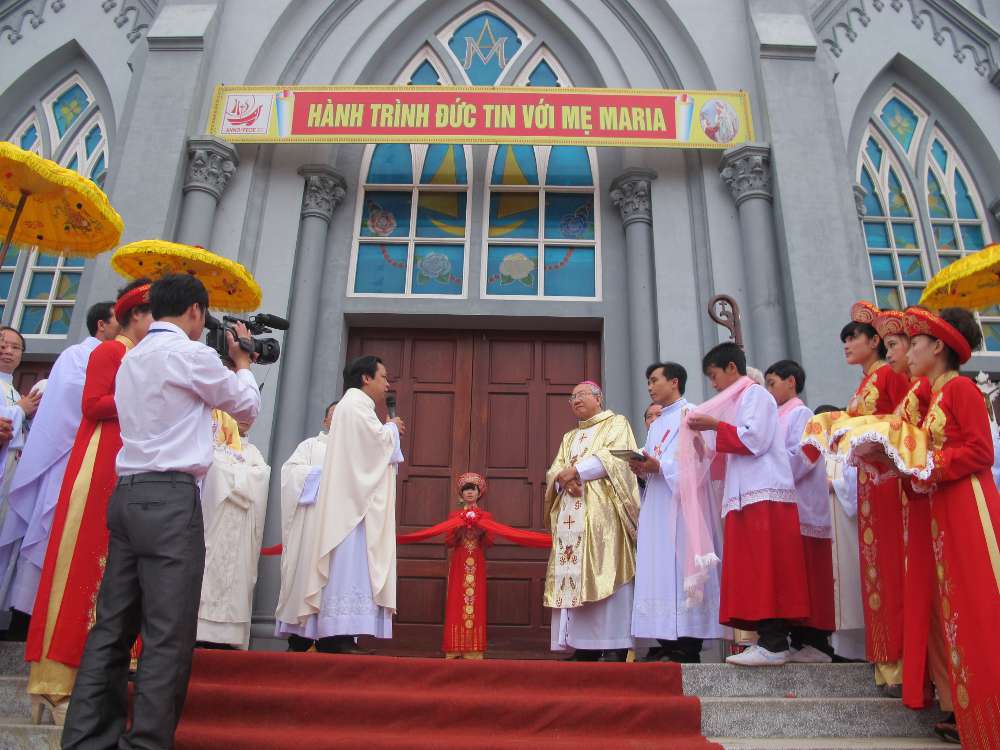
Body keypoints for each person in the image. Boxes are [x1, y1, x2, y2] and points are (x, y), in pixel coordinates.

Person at [61, 274, 261, 749]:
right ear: (194, 311)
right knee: (167, 632)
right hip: (170, 499)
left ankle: (86, 739)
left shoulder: (132, 357)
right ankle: (146, 742)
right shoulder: (191, 355)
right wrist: (244, 361)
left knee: (111, 626)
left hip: (127, 494)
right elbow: (245, 407)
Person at [843, 307, 1000, 747]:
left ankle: (986, 710)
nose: (907, 352)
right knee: (947, 604)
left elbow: (979, 452)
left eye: (915, 344)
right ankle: (963, 705)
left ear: (940, 348)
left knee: (972, 599)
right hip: (939, 504)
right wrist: (899, 465)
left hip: (967, 503)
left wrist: (928, 463)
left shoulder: (962, 390)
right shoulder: (938, 395)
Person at [20, 284, 149, 726]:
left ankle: (104, 678)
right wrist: (144, 396)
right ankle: (57, 683)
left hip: (131, 464)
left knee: (120, 572)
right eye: (153, 315)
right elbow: (94, 404)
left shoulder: (146, 357)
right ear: (135, 315)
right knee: (81, 564)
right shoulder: (109, 352)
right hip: (100, 462)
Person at [684, 342, 810, 666]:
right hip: (744, 496)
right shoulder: (737, 402)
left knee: (768, 568)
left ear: (731, 368)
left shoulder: (756, 396)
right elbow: (725, 451)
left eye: (714, 376)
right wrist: (701, 446)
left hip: (765, 493)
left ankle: (774, 642)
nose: (713, 384)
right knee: (755, 569)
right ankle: (767, 639)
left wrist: (713, 426)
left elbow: (754, 439)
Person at [274, 357, 404, 655]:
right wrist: (392, 429)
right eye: (383, 377)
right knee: (345, 567)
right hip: (348, 511)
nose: (388, 384)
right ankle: (337, 636)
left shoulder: (357, 407)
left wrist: (386, 432)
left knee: (348, 569)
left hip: (352, 506)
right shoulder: (356, 405)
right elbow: (371, 448)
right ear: (365, 378)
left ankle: (340, 635)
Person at [0, 302, 117, 630]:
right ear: (101, 326)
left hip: (97, 462)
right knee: (48, 534)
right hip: (65, 457)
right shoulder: (77, 356)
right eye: (117, 320)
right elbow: (73, 396)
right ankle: (26, 621)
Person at [629, 362, 725, 664]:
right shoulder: (657, 423)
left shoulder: (692, 415)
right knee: (658, 569)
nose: (649, 386)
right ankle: (667, 642)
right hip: (657, 502)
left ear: (674, 382)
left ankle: (687, 645)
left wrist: (662, 468)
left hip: (684, 507)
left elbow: (703, 461)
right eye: (647, 381)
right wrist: (643, 466)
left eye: (654, 380)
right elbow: (654, 459)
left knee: (681, 568)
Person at [396, 473, 550, 659]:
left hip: (476, 561)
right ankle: (454, 649)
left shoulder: (485, 516)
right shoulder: (455, 516)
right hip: (460, 561)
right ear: (461, 494)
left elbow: (489, 542)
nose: (469, 492)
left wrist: (482, 528)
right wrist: (459, 528)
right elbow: (449, 542)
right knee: (456, 600)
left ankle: (473, 650)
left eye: (473, 489)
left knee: (474, 601)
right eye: (466, 489)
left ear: (479, 493)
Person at [544, 380, 641, 662]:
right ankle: (584, 646)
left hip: (603, 517)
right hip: (572, 517)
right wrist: (564, 481)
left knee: (608, 573)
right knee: (576, 581)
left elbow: (616, 460)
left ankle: (616, 645)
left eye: (581, 395)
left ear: (598, 398)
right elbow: (554, 471)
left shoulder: (616, 423)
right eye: (571, 397)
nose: (575, 400)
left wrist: (577, 471)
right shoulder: (569, 437)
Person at [841, 301, 910, 691]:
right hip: (869, 482)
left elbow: (903, 427)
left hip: (889, 483)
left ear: (876, 341)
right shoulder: (867, 381)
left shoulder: (889, 378)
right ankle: (885, 660)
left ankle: (900, 660)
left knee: (889, 564)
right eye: (846, 338)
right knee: (874, 568)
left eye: (854, 337)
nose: (848, 344)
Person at [764, 359, 835, 663]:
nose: (769, 390)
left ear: (791, 382)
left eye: (773, 383)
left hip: (802, 503)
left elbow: (806, 453)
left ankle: (817, 641)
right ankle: (799, 638)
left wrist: (770, 472)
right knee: (792, 573)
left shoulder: (801, 413)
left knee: (809, 573)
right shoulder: (777, 415)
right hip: (783, 502)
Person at [195, 410, 270, 650]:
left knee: (237, 576)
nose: (246, 419)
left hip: (240, 526)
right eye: (240, 414)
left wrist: (232, 478)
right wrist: (240, 476)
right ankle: (198, 631)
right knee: (208, 572)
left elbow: (261, 477)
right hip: (214, 523)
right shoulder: (213, 447)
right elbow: (213, 472)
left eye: (251, 415)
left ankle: (230, 638)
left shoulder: (253, 453)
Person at [277, 400, 336, 652]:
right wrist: (323, 475)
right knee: (306, 575)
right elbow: (290, 473)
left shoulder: (357, 451)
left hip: (339, 529)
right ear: (324, 420)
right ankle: (300, 639)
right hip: (310, 526)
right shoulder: (310, 446)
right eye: (333, 415)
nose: (337, 419)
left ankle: (335, 639)